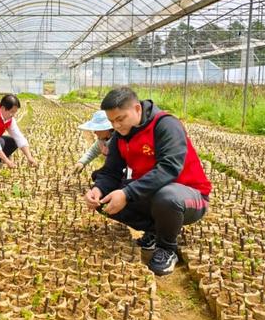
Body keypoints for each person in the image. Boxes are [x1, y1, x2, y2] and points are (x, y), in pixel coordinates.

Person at [84, 87, 212, 276]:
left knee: (167, 197)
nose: (116, 126)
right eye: (112, 121)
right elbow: (110, 172)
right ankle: (156, 230)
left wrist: (127, 193)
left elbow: (169, 168)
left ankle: (167, 248)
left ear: (137, 109)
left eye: (120, 119)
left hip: (190, 196)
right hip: (153, 193)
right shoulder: (121, 136)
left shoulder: (165, 125)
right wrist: (98, 189)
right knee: (104, 200)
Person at [72, 110, 113, 178]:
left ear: (108, 129)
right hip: (112, 168)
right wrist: (81, 162)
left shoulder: (119, 141)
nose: (95, 132)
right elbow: (92, 151)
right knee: (96, 175)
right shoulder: (101, 141)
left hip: (123, 171)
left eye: (98, 129)